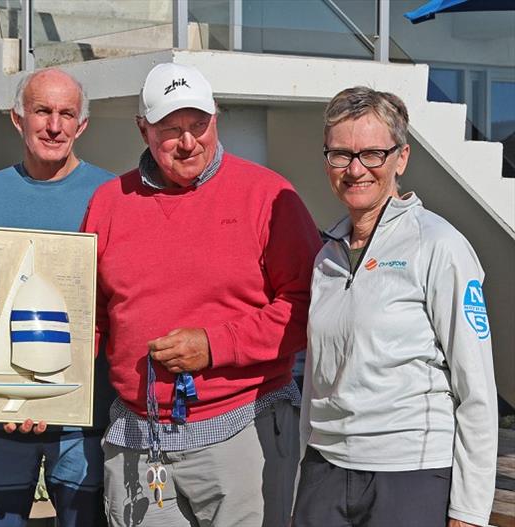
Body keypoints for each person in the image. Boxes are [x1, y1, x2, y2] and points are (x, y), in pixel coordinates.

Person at [81, 63, 322, 526]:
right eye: (171, 129)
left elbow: (306, 304)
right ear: (143, 128)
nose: (189, 142)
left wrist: (214, 346)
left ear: (217, 119)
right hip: (137, 437)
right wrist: (41, 393)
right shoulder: (108, 201)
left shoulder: (269, 196)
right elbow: (90, 316)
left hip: (241, 431)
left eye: (199, 125)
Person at [293, 87, 498, 527]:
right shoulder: (326, 255)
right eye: (340, 154)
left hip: (410, 473)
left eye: (372, 154)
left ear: (401, 158)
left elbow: (477, 390)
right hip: (326, 470)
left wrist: (469, 510)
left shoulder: (439, 246)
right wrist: (303, 476)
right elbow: (317, 375)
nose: (354, 169)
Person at [0, 68, 115, 527]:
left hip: (85, 415)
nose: (54, 126)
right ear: (18, 119)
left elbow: (124, 300)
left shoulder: (111, 195)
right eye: (42, 111)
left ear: (82, 125)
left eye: (66, 114)